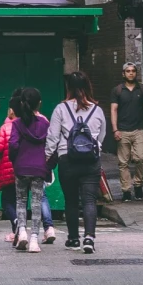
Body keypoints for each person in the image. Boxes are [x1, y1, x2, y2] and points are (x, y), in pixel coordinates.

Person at [45, 72, 108, 250]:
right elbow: (101, 135)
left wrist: (48, 156)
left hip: (67, 160)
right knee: (89, 200)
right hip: (91, 161)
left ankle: (73, 238)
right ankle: (89, 238)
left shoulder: (60, 109)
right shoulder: (97, 110)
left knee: (71, 201)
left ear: (69, 88)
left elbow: (52, 137)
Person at [0, 86, 53, 251]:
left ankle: (22, 232)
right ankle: (34, 239)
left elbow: (13, 145)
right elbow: (51, 145)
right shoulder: (44, 124)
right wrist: (48, 165)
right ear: (39, 104)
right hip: (39, 169)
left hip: (21, 168)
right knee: (36, 203)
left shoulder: (17, 124)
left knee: (20, 201)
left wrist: (15, 160)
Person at [113, 63, 143, 202]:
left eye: (133, 71)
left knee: (141, 158)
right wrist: (115, 129)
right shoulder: (118, 90)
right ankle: (126, 191)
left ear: (136, 73)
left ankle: (138, 185)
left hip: (139, 129)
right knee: (123, 163)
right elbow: (114, 110)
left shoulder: (142, 90)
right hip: (122, 130)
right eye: (128, 71)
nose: (131, 73)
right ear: (123, 74)